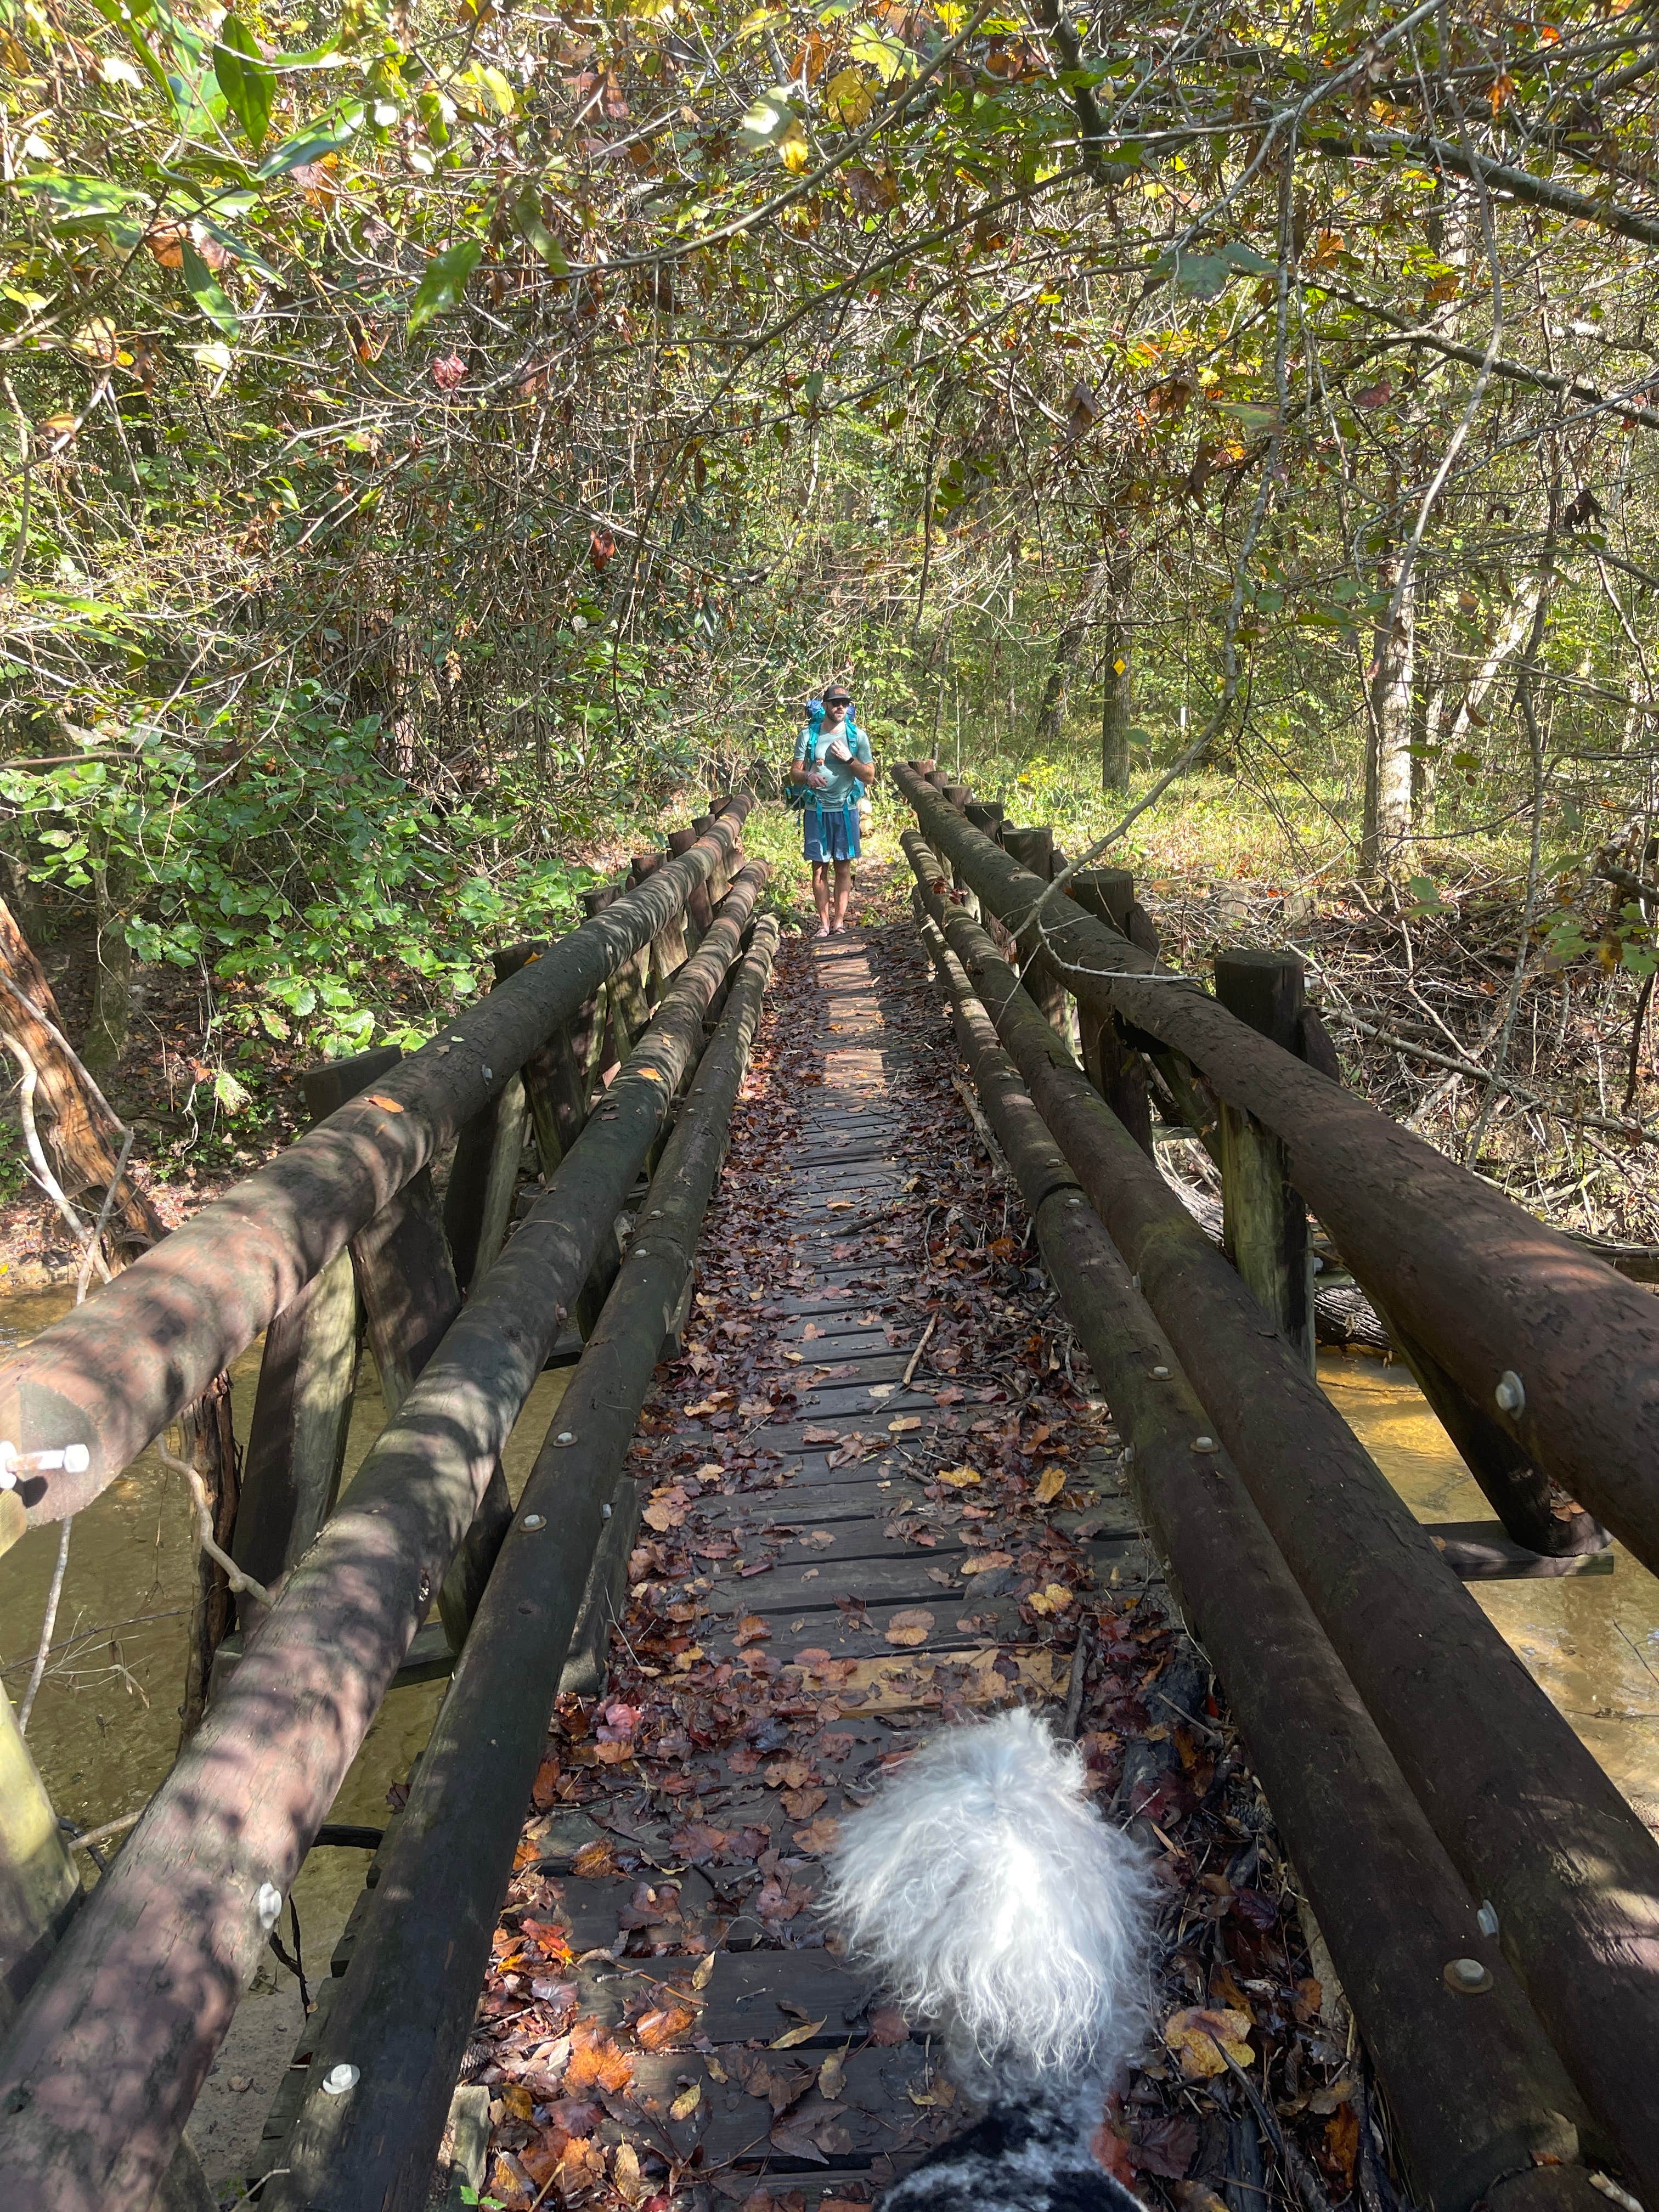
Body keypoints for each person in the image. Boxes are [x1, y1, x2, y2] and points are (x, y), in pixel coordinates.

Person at [788, 686, 874, 938]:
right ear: (825, 705)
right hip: (817, 810)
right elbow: (795, 774)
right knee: (819, 868)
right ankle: (824, 925)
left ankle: (839, 923)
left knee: (843, 867)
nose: (840, 707)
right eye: (835, 703)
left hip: (846, 809)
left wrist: (849, 759)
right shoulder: (808, 735)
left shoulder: (857, 736)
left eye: (844, 703)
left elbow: (869, 776)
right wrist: (809, 776)